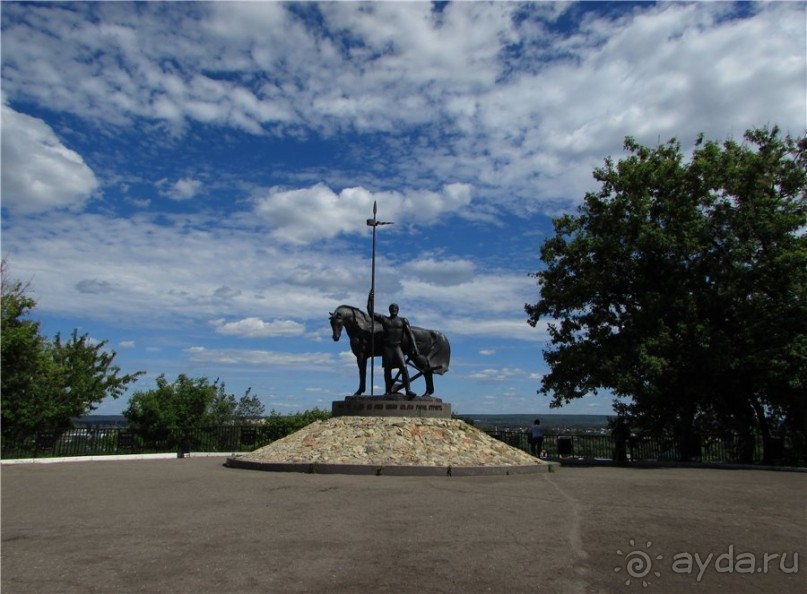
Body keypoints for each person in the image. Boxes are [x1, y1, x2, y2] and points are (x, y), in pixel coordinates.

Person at [368, 290, 419, 397]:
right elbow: (370, 313)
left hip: (397, 347)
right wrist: (370, 299)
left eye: (395, 309)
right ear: (389, 310)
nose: (393, 310)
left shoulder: (403, 320)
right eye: (392, 309)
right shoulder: (385, 319)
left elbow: (410, 334)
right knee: (387, 370)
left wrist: (414, 347)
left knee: (404, 368)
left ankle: (408, 390)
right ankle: (388, 390)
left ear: (398, 310)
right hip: (387, 348)